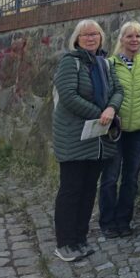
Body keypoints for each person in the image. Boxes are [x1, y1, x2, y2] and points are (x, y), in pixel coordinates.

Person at [52, 20, 123, 262]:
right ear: (77, 39)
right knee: (71, 189)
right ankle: (64, 242)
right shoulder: (70, 62)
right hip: (74, 137)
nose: (91, 38)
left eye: (95, 34)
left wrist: (111, 108)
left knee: (88, 189)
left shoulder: (104, 63)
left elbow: (118, 90)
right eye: (86, 35)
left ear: (101, 38)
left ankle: (80, 239)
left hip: (97, 139)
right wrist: (100, 113)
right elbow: (69, 96)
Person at [99, 20, 140, 238]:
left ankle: (124, 220)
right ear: (121, 39)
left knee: (131, 178)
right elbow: (104, 93)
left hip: (139, 129)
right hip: (115, 130)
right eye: (130, 36)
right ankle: (108, 221)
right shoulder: (109, 64)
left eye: (138, 36)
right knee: (111, 177)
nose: (134, 40)